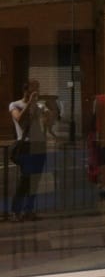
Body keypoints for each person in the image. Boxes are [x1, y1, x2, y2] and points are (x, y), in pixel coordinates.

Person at [9, 79, 50, 222]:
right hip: (26, 146)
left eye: (37, 89)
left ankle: (29, 210)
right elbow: (19, 119)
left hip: (39, 145)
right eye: (33, 89)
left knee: (35, 181)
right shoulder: (15, 105)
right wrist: (29, 104)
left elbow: (48, 121)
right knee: (25, 179)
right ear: (25, 90)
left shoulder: (39, 106)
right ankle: (16, 211)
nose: (36, 92)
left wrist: (48, 114)